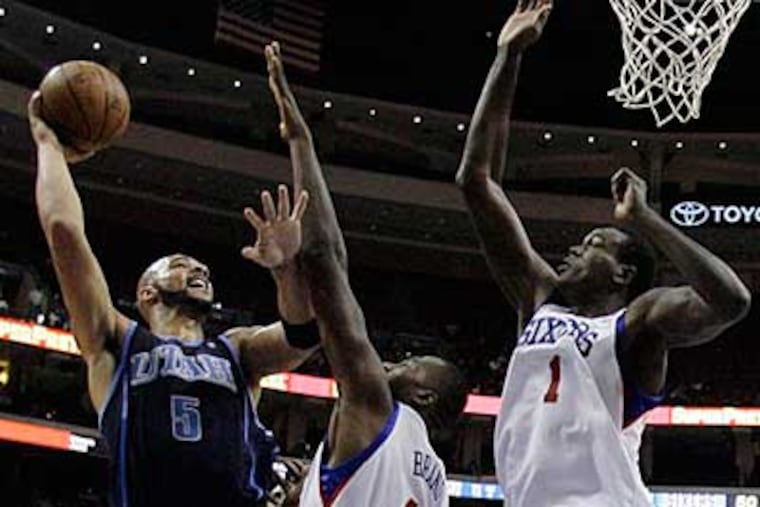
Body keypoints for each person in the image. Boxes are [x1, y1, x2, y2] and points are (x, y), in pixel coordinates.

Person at [454, 1, 752, 505]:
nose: (575, 247)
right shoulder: (539, 299)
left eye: (596, 244)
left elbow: (732, 301)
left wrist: (644, 219)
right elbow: (476, 181)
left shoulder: (638, 324)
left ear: (623, 273)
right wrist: (508, 58)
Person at [28, 91, 320, 507]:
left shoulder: (238, 349)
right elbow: (63, 231)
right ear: (147, 291)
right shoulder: (116, 342)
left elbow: (304, 334)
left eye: (202, 268)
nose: (199, 270)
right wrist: (47, 144)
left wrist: (286, 268)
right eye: (182, 264)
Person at [265, 41, 469, 506]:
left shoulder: (378, 410)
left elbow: (325, 258)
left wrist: (301, 142)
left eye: (409, 364)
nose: (392, 362)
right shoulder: (435, 480)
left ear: (425, 396)